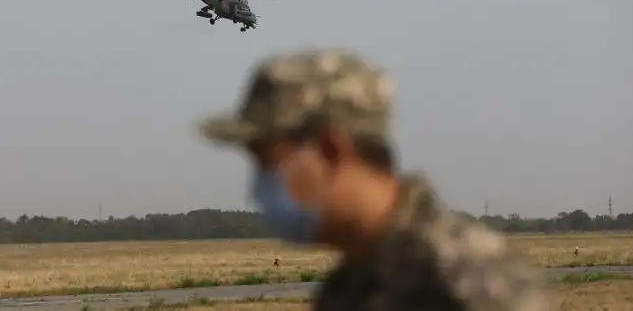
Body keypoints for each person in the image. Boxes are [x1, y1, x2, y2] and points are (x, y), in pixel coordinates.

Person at [197, 47, 550, 310]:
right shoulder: (347, 288)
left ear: (332, 150)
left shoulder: (470, 282)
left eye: (267, 161)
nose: (260, 184)